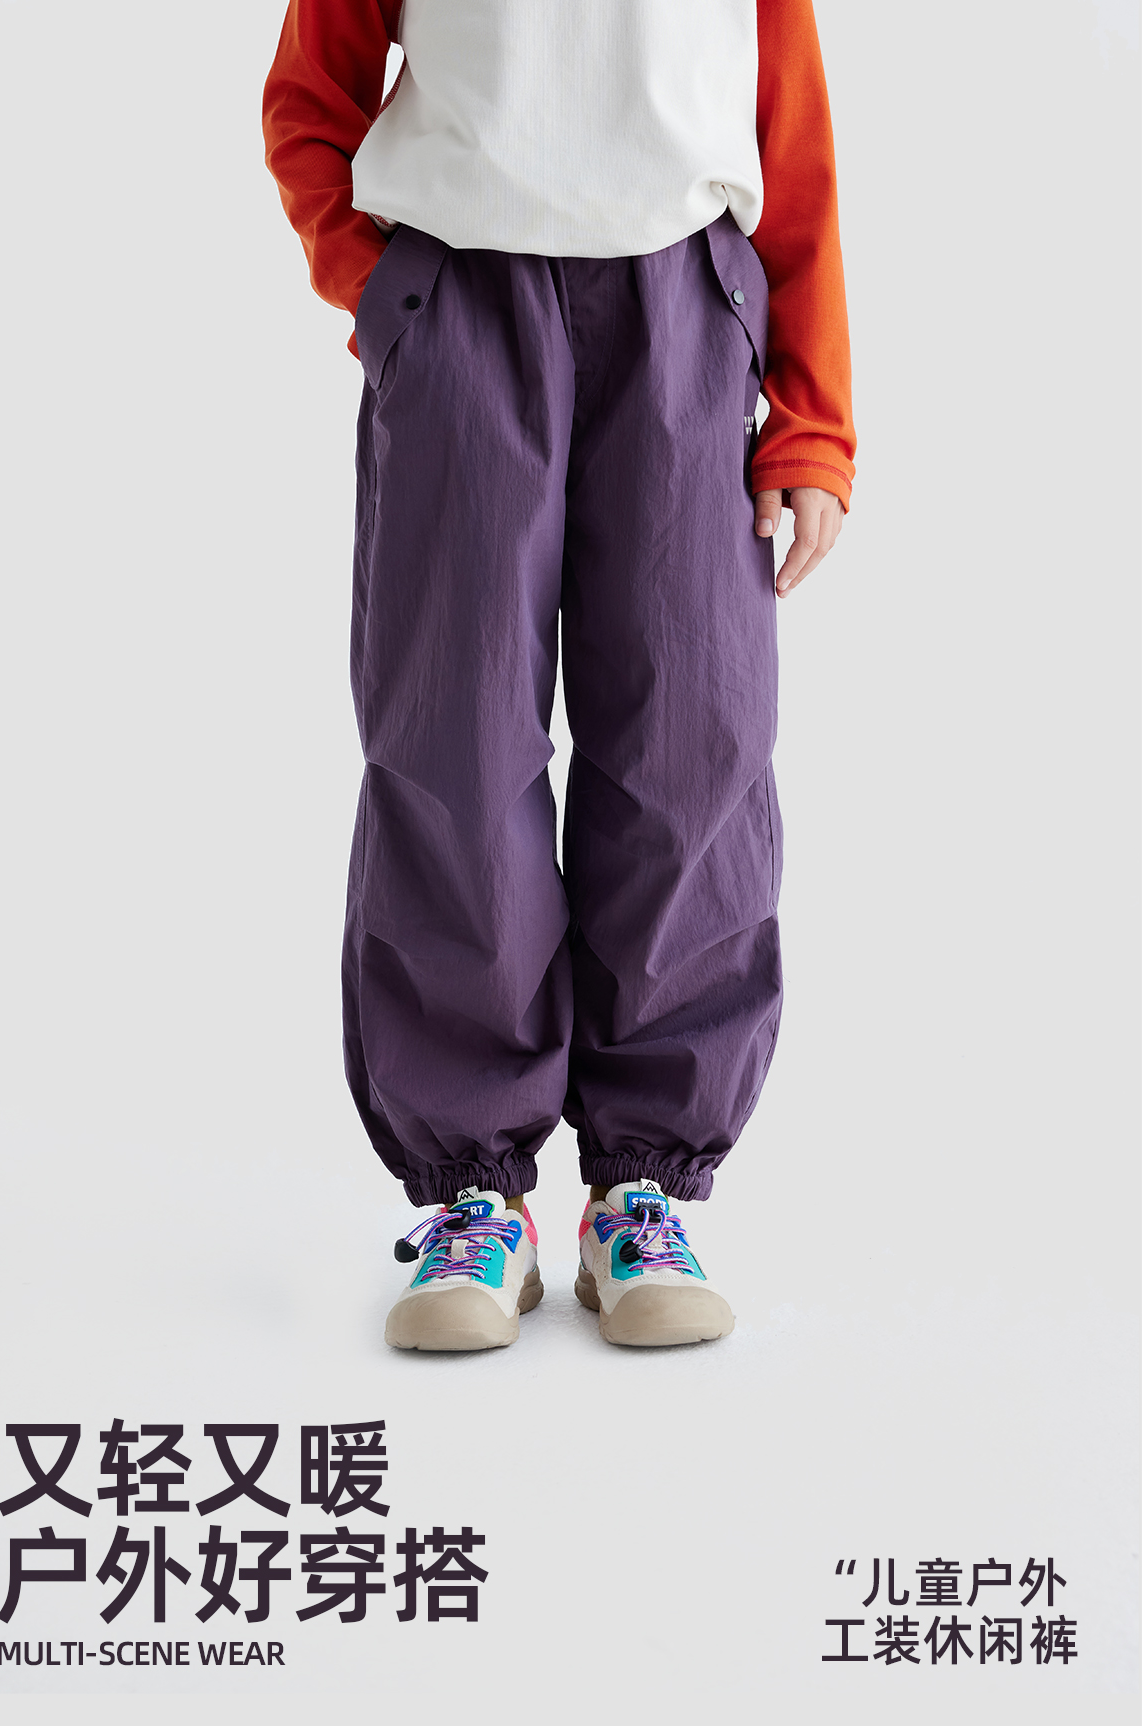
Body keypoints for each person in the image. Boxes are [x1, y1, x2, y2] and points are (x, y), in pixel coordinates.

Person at [262, 0, 856, 1350]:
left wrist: (813, 418)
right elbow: (310, 96)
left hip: (683, 310)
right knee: (454, 746)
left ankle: (644, 1184)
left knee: (692, 742)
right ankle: (476, 1193)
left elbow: (793, 132)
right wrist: (388, 294)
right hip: (463, 303)